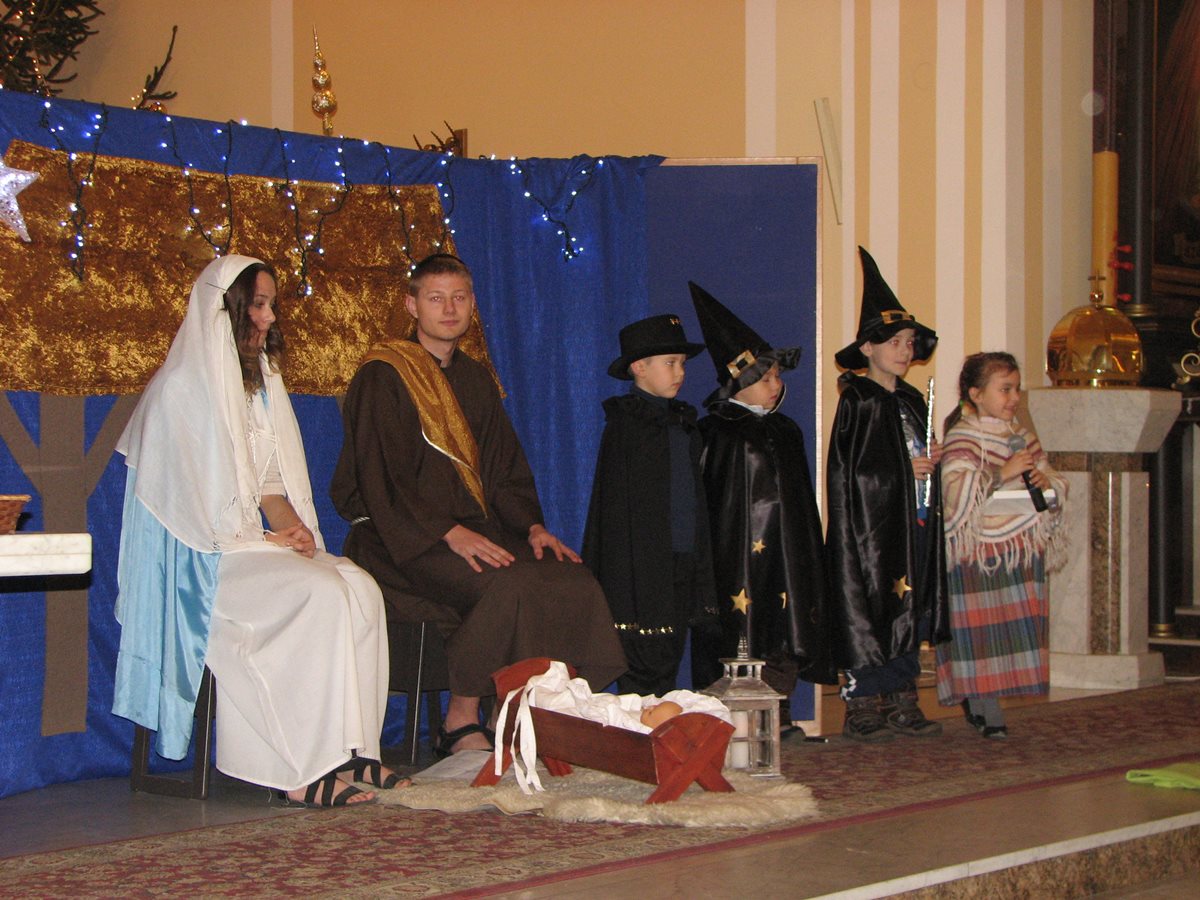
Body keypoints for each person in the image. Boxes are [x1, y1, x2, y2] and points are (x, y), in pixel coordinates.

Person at [113, 255, 403, 808]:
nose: (269, 318)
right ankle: (295, 770)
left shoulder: (260, 385)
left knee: (360, 589)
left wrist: (293, 530)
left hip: (252, 549)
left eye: (272, 306)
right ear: (226, 310)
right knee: (318, 594)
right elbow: (187, 517)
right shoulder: (179, 392)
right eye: (259, 305)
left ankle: (351, 751)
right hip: (203, 567)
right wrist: (265, 541)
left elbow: (268, 483)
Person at [331, 253, 626, 756]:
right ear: (412, 305)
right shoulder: (383, 375)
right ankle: (461, 718)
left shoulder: (474, 379)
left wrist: (532, 527)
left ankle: (521, 710)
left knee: (568, 576)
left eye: (459, 297)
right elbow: (383, 477)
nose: (449, 309)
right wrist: (446, 532)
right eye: (436, 298)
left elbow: (504, 468)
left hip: (473, 530)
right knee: (505, 584)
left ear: (472, 304)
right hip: (399, 537)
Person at [689, 282, 836, 702]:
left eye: (777, 376)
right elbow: (713, 504)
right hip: (736, 560)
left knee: (782, 625)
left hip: (785, 555)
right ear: (738, 382)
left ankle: (777, 708)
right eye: (765, 377)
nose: (775, 384)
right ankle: (731, 713)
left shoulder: (786, 430)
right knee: (739, 629)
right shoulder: (716, 432)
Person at [826, 247, 950, 742]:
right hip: (871, 533)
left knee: (908, 605)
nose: (904, 349)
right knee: (871, 605)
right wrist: (902, 469)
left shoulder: (912, 401)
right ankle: (862, 701)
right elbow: (850, 473)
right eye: (894, 341)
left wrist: (931, 458)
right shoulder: (857, 401)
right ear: (868, 348)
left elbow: (915, 456)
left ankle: (902, 695)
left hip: (913, 520)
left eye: (909, 342)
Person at [581, 313, 715, 695]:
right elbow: (616, 509)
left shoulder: (684, 425)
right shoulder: (626, 426)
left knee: (671, 648)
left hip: (681, 554)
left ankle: (662, 719)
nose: (680, 373)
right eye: (670, 363)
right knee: (641, 652)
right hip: (639, 566)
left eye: (682, 364)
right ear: (639, 367)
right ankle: (639, 720)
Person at [936, 352, 1068, 738]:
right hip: (977, 553)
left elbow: (1051, 475)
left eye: (1017, 389)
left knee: (1007, 634)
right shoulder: (963, 436)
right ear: (976, 394)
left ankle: (989, 701)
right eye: (1005, 389)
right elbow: (954, 491)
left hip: (1016, 549)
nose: (1014, 398)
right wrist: (1000, 473)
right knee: (978, 636)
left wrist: (1047, 482)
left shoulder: (1021, 436)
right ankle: (983, 706)